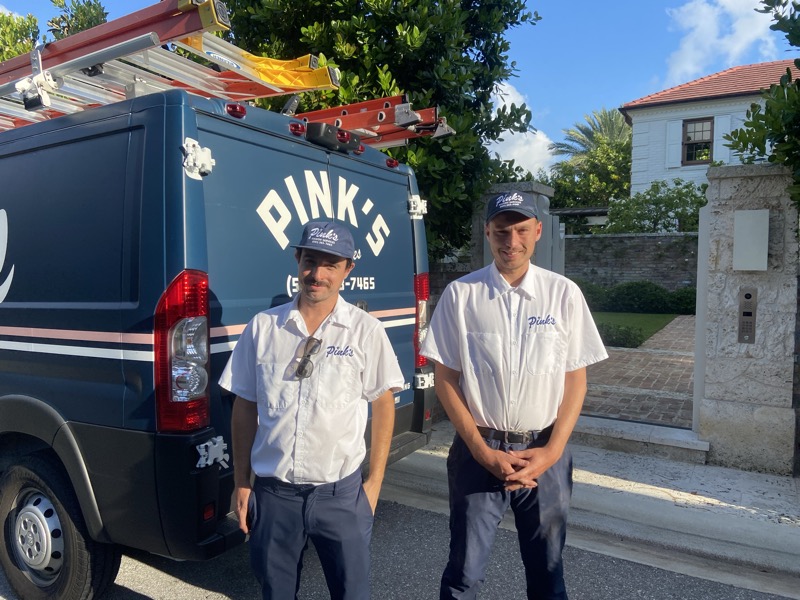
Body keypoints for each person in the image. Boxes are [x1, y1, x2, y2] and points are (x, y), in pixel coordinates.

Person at [421, 191, 608, 600]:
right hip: (479, 451)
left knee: (547, 575)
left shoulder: (563, 295)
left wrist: (553, 451)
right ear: (487, 233)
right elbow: (446, 379)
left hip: (544, 452)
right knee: (463, 575)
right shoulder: (461, 295)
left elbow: (575, 380)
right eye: (501, 231)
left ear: (537, 231)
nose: (512, 241)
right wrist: (482, 452)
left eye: (522, 230)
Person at [219, 220, 404, 600]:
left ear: (348, 269)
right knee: (276, 593)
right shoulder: (263, 329)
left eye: (330, 264)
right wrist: (242, 482)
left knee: (352, 593)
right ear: (297, 259)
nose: (317, 274)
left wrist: (374, 484)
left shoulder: (365, 331)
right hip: (274, 496)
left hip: (341, 495)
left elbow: (383, 404)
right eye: (310, 261)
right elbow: (244, 405)